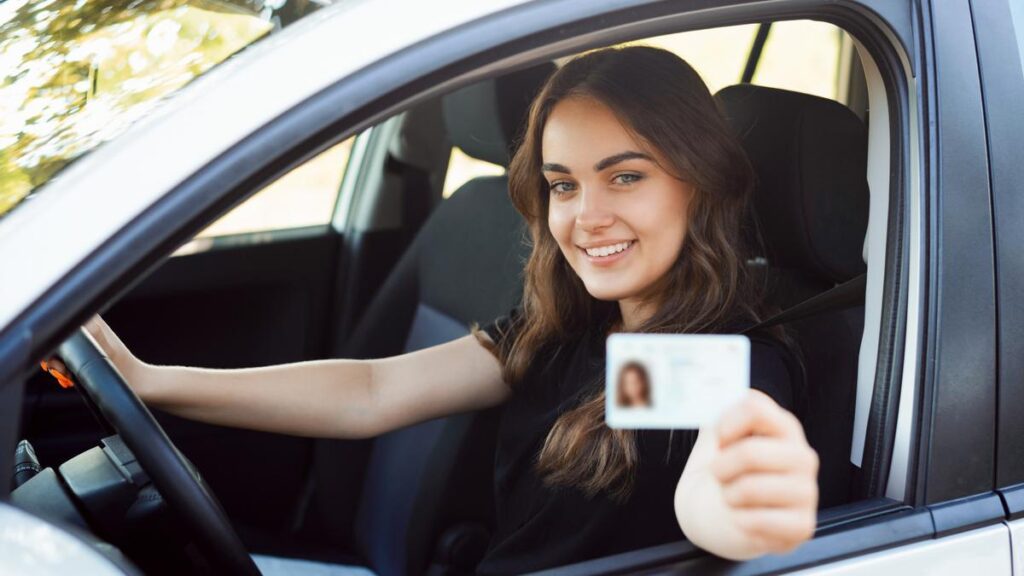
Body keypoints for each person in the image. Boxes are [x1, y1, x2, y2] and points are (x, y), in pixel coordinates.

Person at [48, 45, 819, 573]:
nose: (586, 217)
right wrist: (148, 380)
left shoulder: (719, 360)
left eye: (625, 178)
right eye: (562, 184)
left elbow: (719, 488)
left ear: (700, 181)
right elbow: (374, 392)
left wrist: (746, 505)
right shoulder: (579, 331)